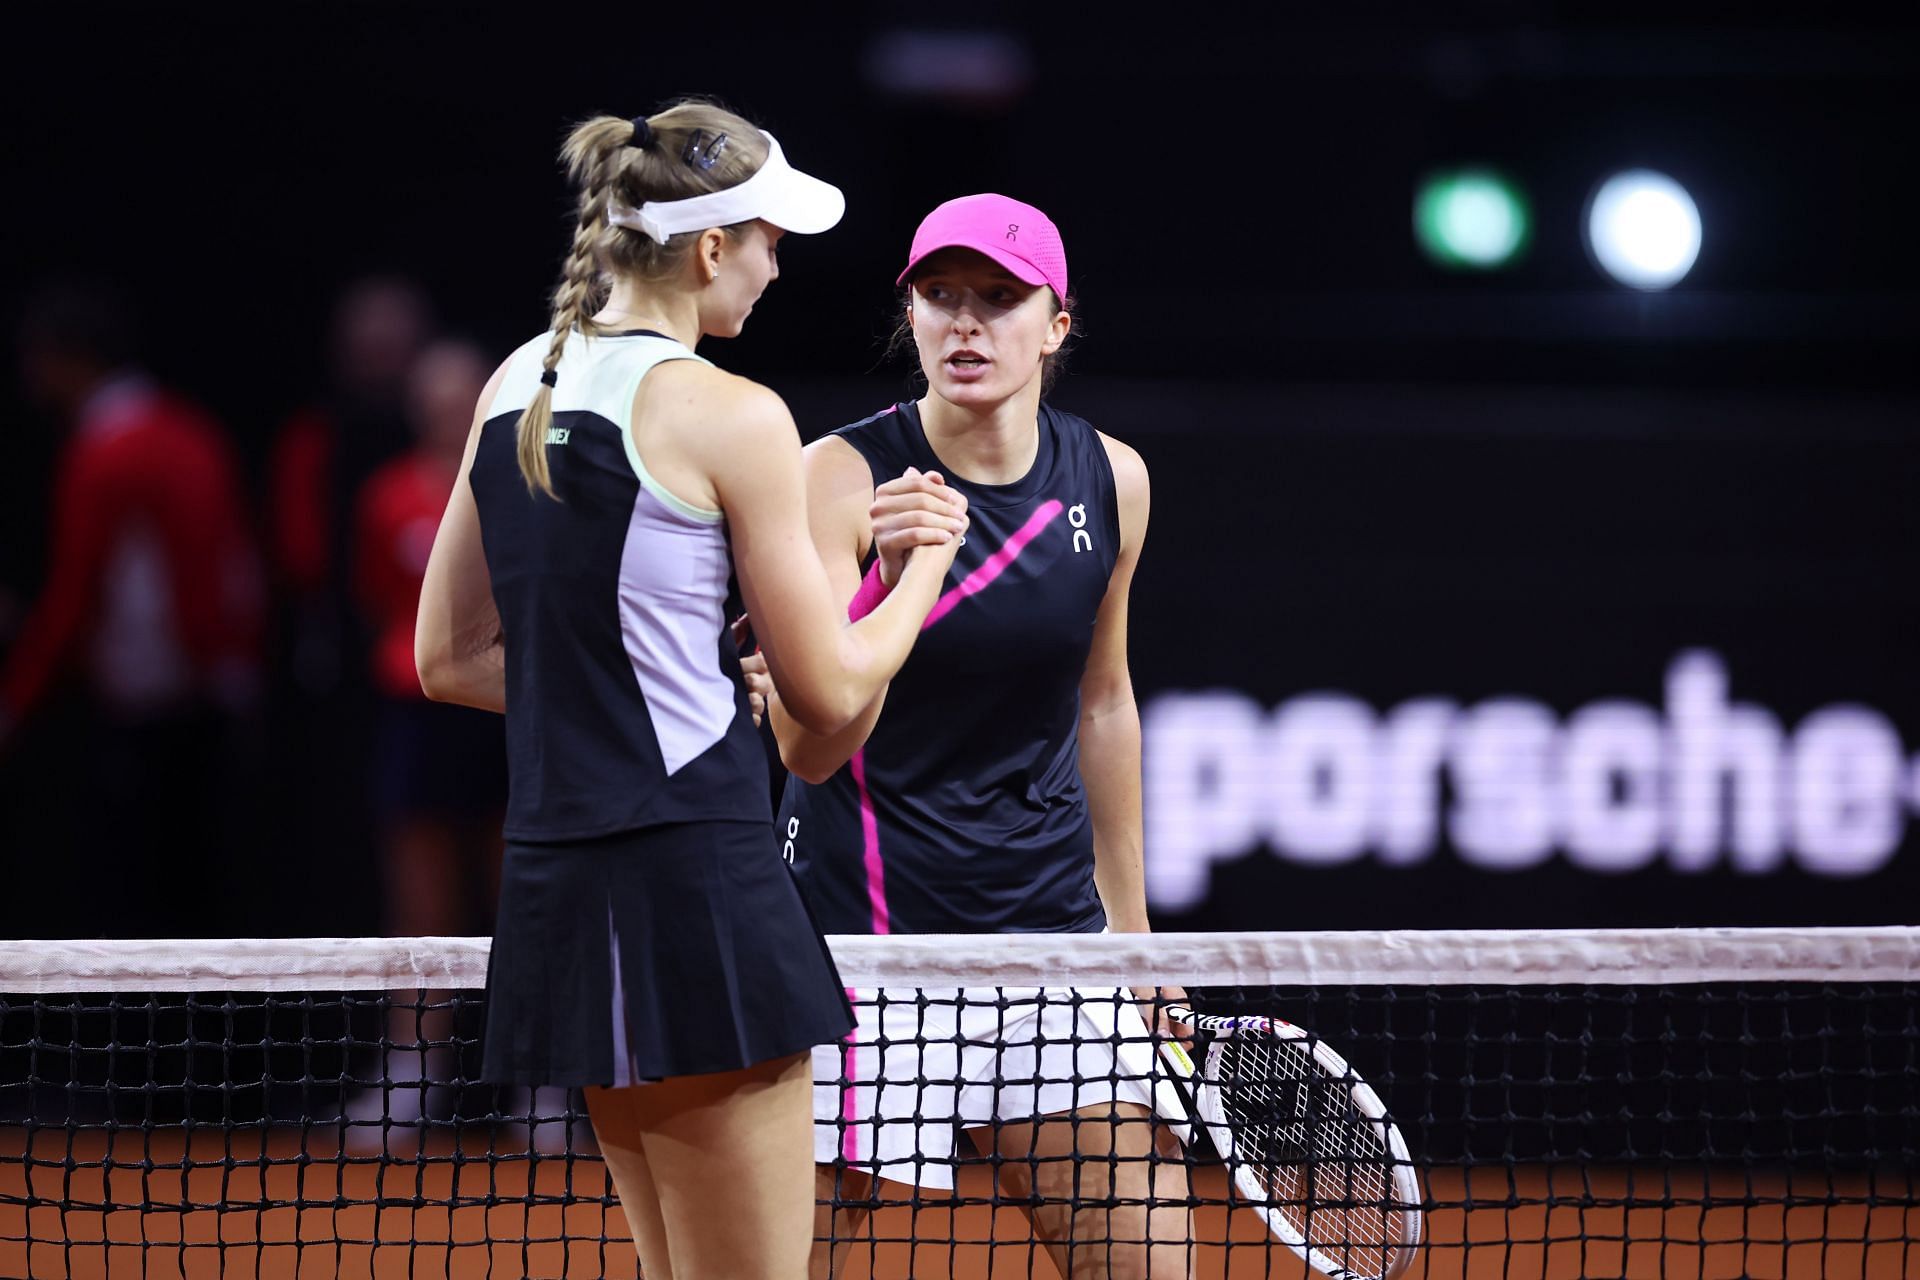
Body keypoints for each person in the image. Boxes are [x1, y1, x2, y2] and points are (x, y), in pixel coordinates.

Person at [414, 100, 968, 1279]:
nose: (776, 267)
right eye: (770, 239)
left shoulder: (516, 382)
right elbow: (824, 692)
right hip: (698, 884)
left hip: (566, 880)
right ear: (713, 247)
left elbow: (449, 658)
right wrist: (919, 569)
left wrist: (661, 683)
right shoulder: (733, 413)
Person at [769, 195, 1192, 1279]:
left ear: (1056, 324)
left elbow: (1102, 701)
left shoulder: (1114, 479)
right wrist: (889, 576)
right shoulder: (838, 478)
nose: (967, 323)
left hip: (1049, 943)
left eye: (1000, 299)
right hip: (857, 952)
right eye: (941, 295)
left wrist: (1135, 940)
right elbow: (807, 748)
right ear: (907, 312)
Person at [3, 281, 263, 932]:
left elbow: (77, 591)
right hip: (207, 692)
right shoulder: (188, 431)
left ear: (69, 359)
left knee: (150, 899)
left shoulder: (109, 453)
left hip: (156, 706)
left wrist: (13, 700)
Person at [346, 339, 511, 1145]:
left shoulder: (522, 486)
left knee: (521, 895)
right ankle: (412, 1073)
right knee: (421, 905)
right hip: (418, 715)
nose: (449, 410)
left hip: (505, 714)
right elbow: (379, 595)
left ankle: (542, 1082)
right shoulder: (387, 496)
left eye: (463, 395)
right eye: (435, 397)